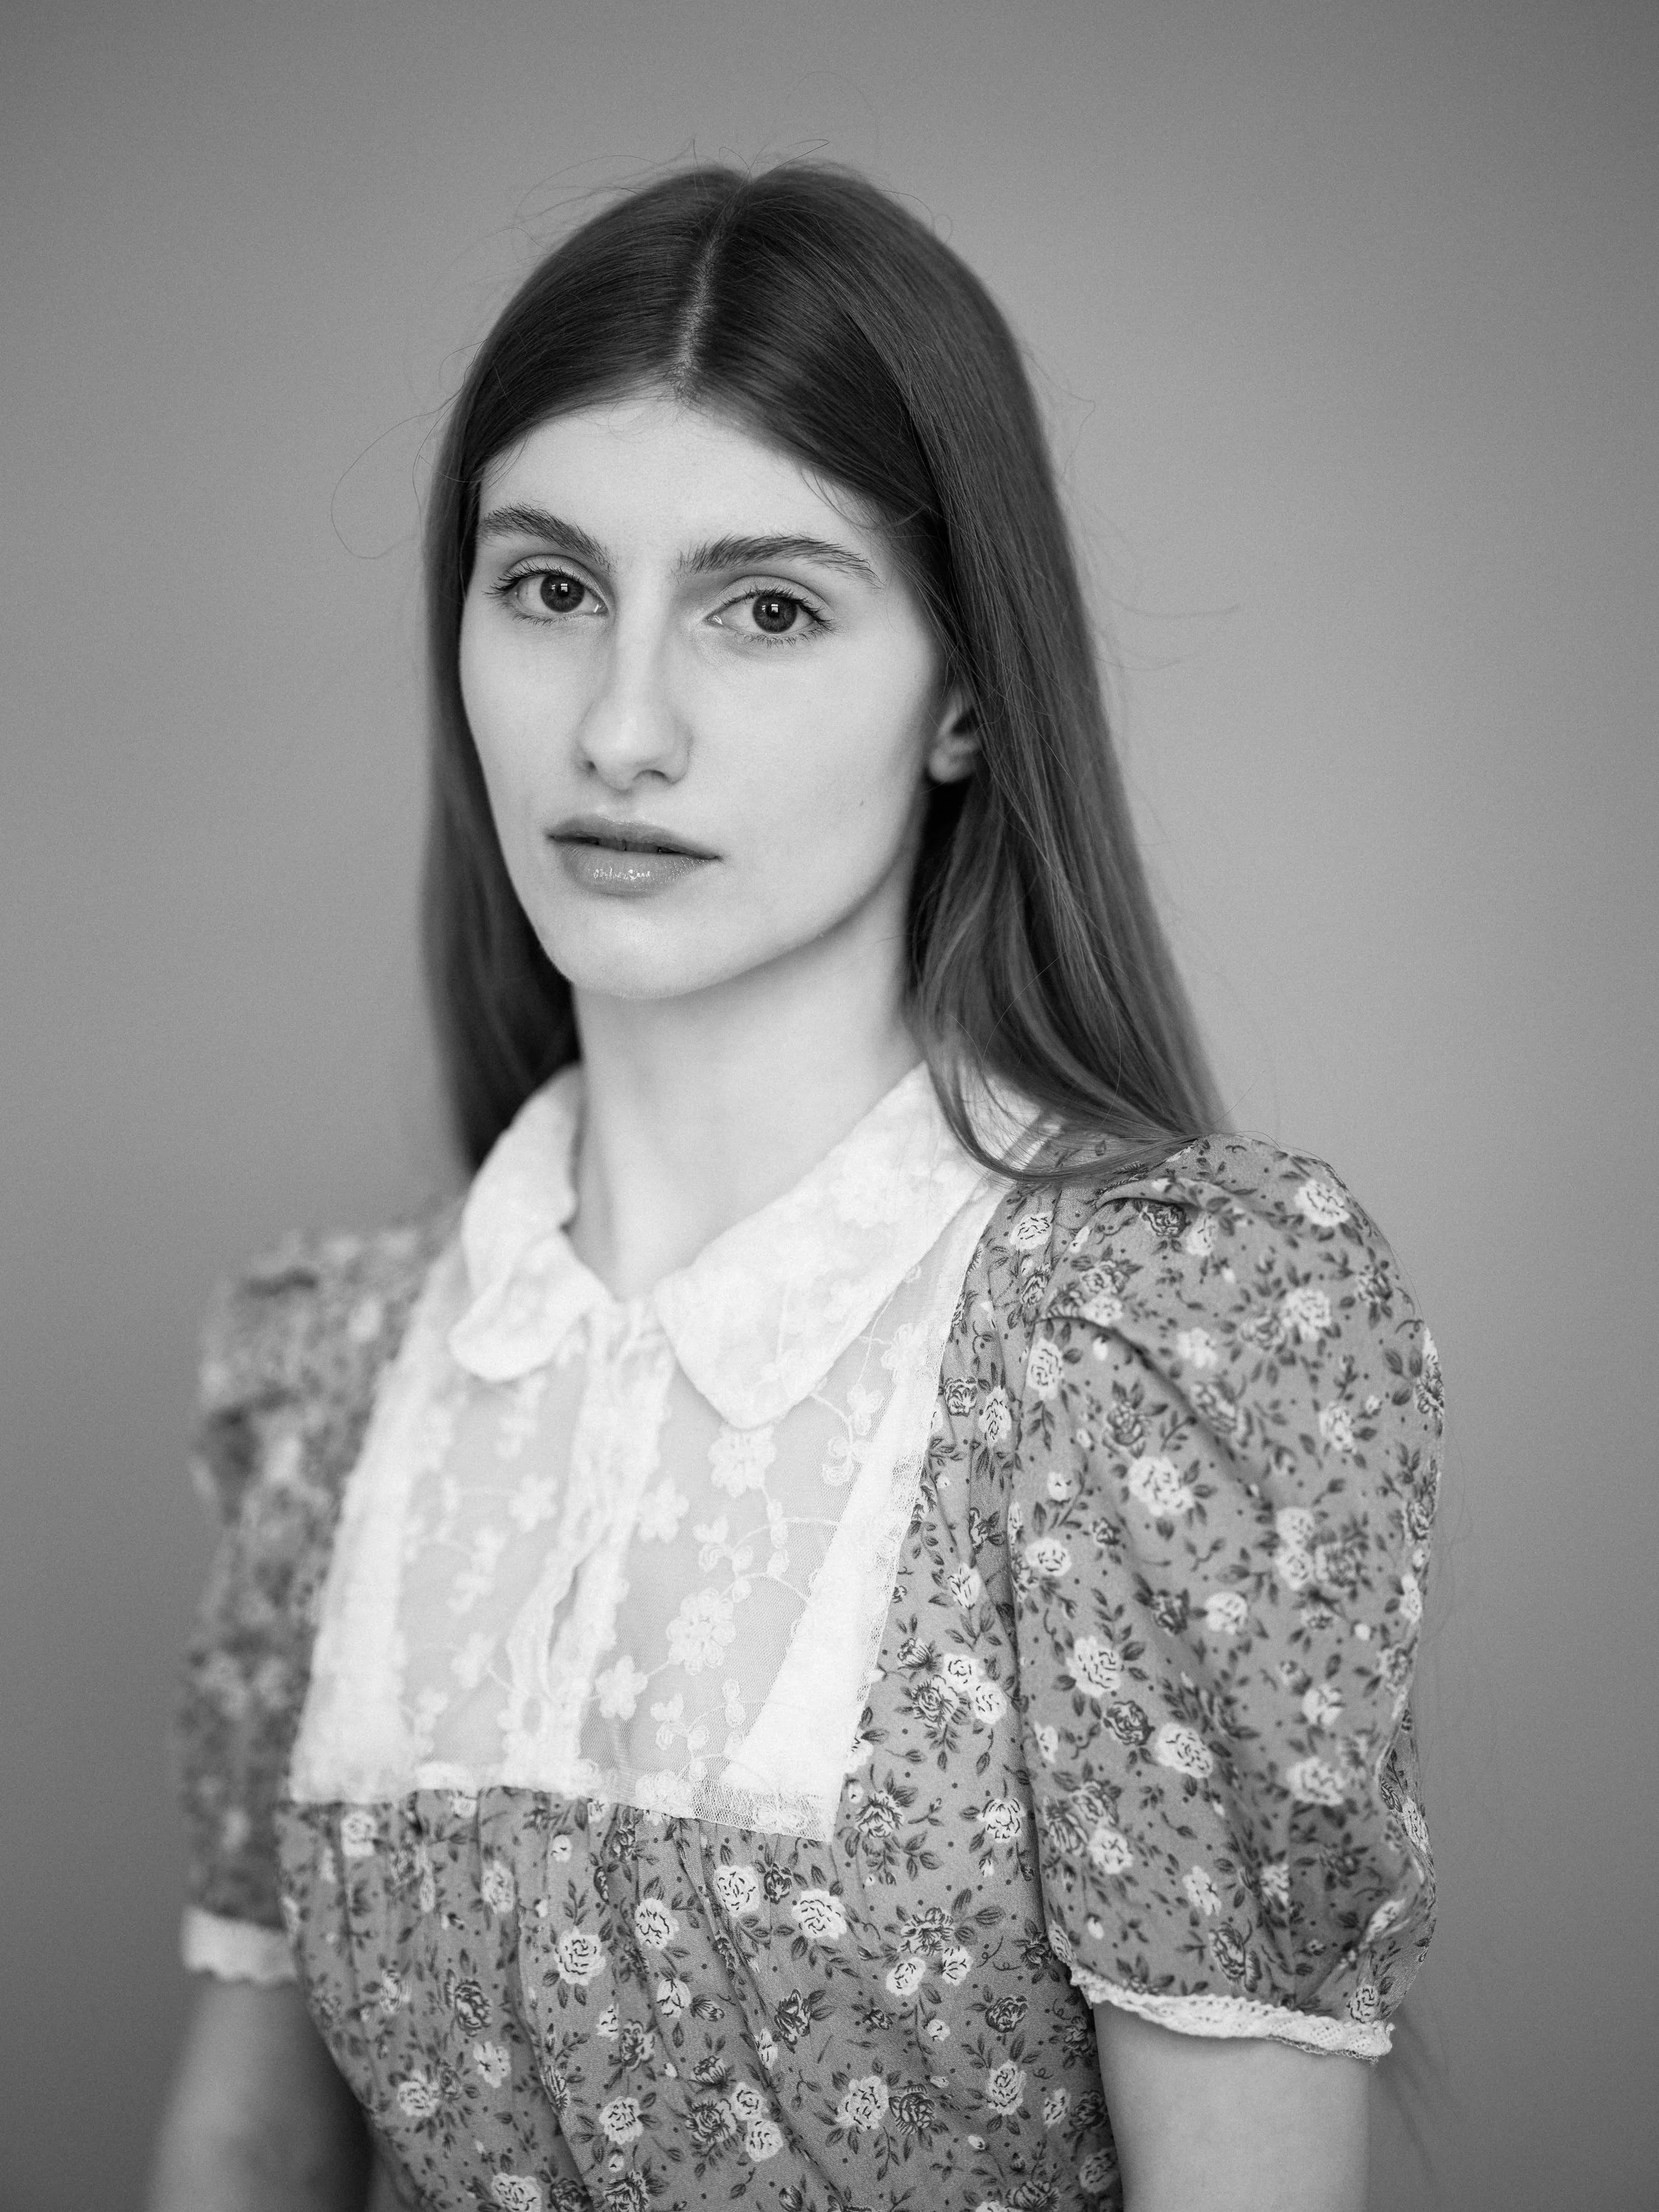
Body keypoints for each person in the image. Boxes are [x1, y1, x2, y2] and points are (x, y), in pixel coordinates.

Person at [148, 162, 1441, 2212]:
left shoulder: (1137, 1365)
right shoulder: (335, 1388)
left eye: (768, 607)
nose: (624, 728)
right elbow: (241, 2151)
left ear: (961, 696)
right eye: (551, 588)